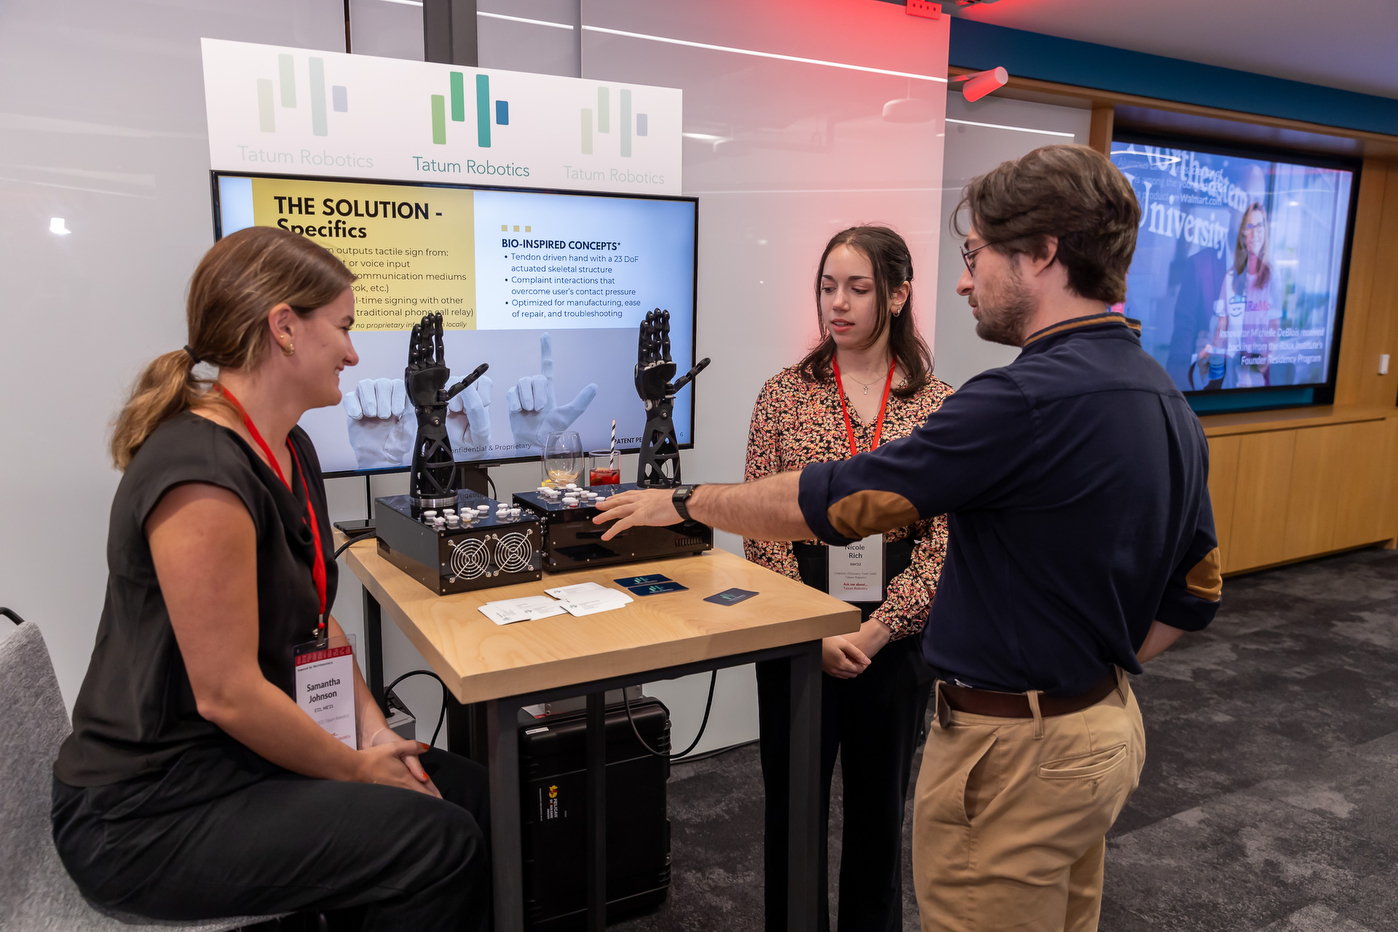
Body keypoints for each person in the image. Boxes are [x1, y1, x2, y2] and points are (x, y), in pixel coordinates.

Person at [593, 144, 1221, 932]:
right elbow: (1197, 592)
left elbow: (842, 501)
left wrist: (683, 502)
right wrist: (1082, 681)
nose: (965, 278)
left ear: (1044, 254)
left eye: (976, 253)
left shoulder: (1013, 402)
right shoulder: (1165, 398)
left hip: (1010, 754)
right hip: (1102, 732)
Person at [51, 226, 490, 931]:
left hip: (232, 764)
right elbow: (227, 695)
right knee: (434, 836)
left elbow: (316, 621)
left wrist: (372, 733)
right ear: (284, 327)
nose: (352, 352)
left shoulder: (290, 447)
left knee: (467, 790)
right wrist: (352, 770)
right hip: (149, 812)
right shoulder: (200, 476)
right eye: (343, 328)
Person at [747, 226, 951, 932]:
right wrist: (814, 632)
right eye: (828, 288)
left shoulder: (937, 406)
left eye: (858, 289)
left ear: (897, 295)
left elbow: (944, 542)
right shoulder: (782, 396)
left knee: (879, 815)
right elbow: (762, 530)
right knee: (793, 810)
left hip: (895, 635)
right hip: (798, 619)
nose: (838, 304)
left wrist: (879, 628)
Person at [1198, 202, 1281, 388]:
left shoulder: (1273, 277)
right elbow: (1221, 327)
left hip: (1258, 374)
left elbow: (1274, 327)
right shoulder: (1230, 277)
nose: (1255, 233)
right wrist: (1212, 352)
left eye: (1260, 226)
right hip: (1231, 374)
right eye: (1249, 227)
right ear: (1242, 234)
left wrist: (1268, 354)